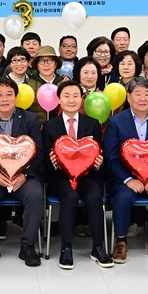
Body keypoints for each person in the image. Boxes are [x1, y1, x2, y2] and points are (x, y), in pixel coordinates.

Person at [104, 76, 148, 264]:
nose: (143, 98)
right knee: (123, 197)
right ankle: (120, 241)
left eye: (147, 94)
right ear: (128, 97)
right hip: (125, 179)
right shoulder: (116, 122)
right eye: (138, 94)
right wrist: (129, 180)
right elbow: (111, 158)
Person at [0, 77, 45, 266]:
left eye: (9, 94)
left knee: (35, 195)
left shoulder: (29, 119)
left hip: (24, 174)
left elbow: (39, 151)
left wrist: (25, 175)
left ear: (16, 97)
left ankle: (28, 245)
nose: (4, 99)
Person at [42, 80, 112, 269]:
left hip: (88, 175)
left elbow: (99, 151)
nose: (71, 100)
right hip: (61, 177)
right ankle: (66, 248)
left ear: (82, 99)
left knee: (94, 196)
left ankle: (98, 247)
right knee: (70, 197)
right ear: (58, 99)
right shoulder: (50, 126)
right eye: (66, 96)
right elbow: (44, 163)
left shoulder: (92, 124)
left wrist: (99, 163)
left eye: (75, 96)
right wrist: (52, 162)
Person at [28, 45, 68, 123]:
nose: (46, 65)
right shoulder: (29, 84)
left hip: (59, 129)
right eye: (42, 61)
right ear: (37, 65)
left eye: (50, 61)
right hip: (36, 129)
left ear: (55, 64)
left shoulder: (64, 83)